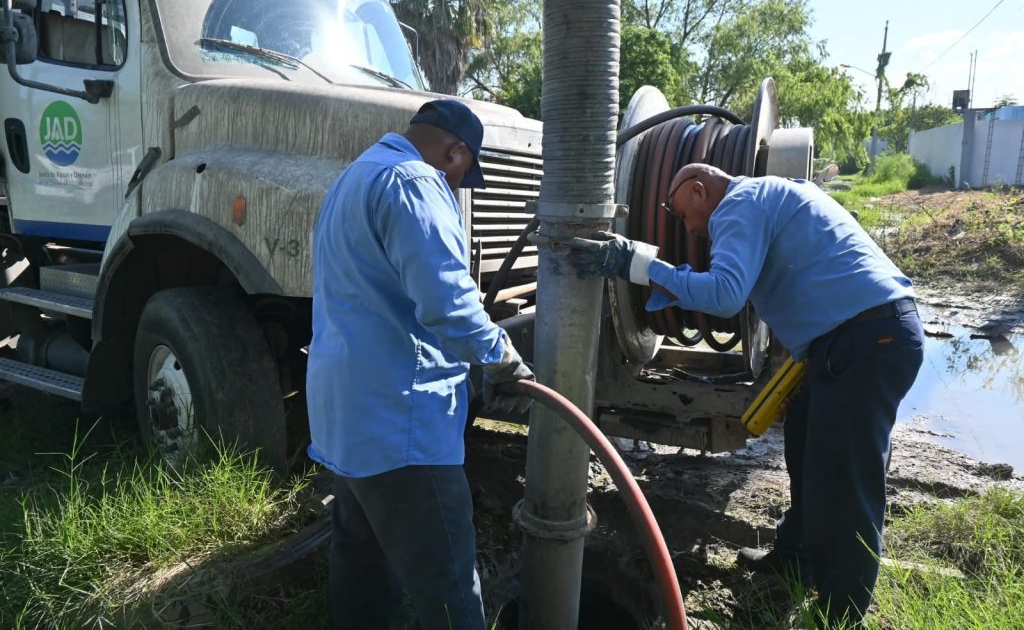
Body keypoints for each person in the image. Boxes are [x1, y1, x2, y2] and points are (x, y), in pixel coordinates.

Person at [568, 163, 924, 627]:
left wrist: (639, 266)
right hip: (851, 341)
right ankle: (794, 558)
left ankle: (842, 612)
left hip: (867, 342)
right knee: (803, 450)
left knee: (847, 481)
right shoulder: (766, 198)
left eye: (683, 215)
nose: (692, 230)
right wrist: (675, 283)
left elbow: (726, 296)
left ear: (700, 189)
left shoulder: (739, 204)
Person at [306, 99, 534, 630]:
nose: (455, 187)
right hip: (401, 427)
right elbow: (447, 304)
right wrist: (504, 360)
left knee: (361, 570)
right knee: (448, 586)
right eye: (461, 176)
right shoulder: (415, 182)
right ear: (455, 153)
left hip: (346, 420)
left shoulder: (354, 177)